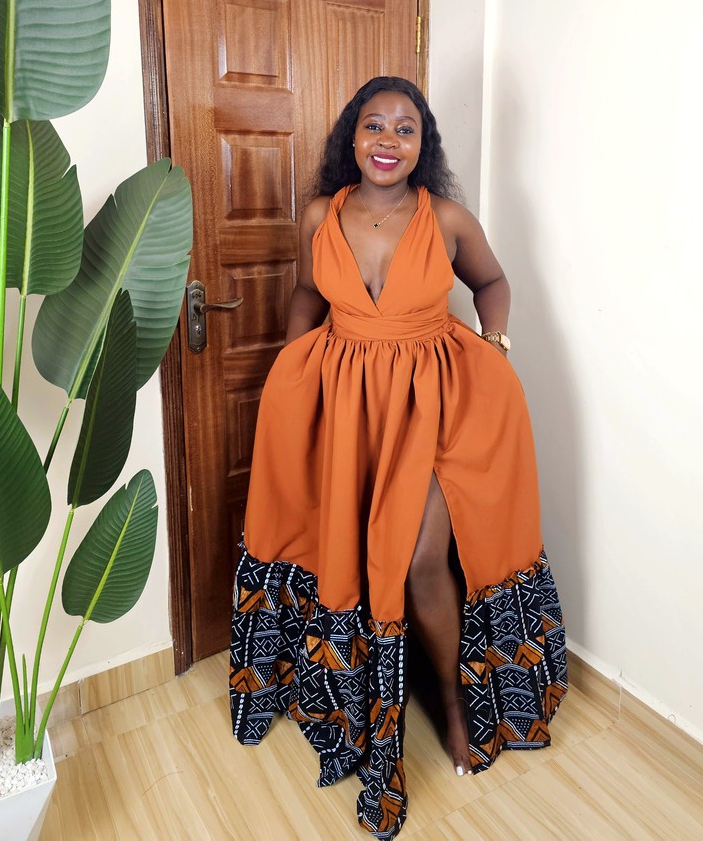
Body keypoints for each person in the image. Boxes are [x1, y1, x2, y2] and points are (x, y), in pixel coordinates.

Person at [230, 77, 568, 840]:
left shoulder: (446, 218)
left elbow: (492, 282)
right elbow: (307, 296)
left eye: (405, 128)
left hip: (439, 406)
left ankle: (452, 703)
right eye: (374, 125)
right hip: (348, 407)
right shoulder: (318, 215)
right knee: (349, 552)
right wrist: (291, 374)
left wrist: (495, 346)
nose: (388, 140)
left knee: (419, 561)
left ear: (423, 143)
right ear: (352, 137)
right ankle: (357, 702)